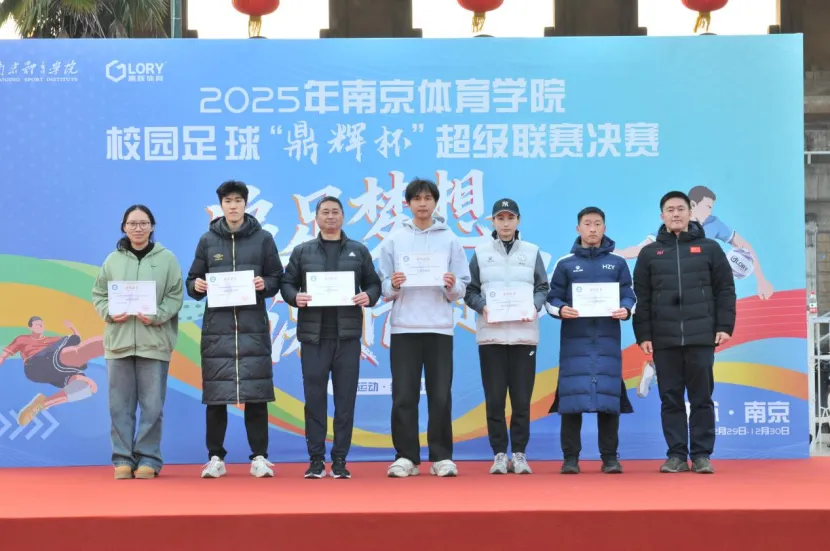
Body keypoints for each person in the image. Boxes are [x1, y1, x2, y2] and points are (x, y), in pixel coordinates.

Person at [633, 191, 736, 475]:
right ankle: (676, 455)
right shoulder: (649, 253)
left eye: (680, 209)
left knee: (702, 398)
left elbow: (725, 290)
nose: (676, 214)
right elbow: (642, 297)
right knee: (671, 398)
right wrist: (643, 334)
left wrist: (724, 326)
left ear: (690, 213)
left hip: (701, 336)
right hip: (664, 338)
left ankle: (701, 455)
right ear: (662, 216)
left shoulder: (710, 249)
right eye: (670, 209)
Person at [186, 180, 284, 479]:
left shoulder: (263, 239)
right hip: (218, 330)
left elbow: (277, 277)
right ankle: (215, 457)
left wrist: (264, 284)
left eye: (238, 200)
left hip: (253, 328)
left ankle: (259, 457)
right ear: (221, 205)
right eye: (228, 201)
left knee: (256, 395)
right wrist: (197, 285)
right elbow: (192, 281)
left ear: (245, 204)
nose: (233, 206)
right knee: (217, 397)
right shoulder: (207, 240)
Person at [280, 196, 381, 479]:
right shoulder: (303, 251)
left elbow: (374, 283)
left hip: (347, 337)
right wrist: (295, 297)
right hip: (314, 338)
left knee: (345, 401)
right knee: (314, 400)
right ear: (317, 218)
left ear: (343, 217)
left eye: (335, 212)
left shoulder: (358, 250)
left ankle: (340, 460)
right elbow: (287, 283)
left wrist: (369, 295)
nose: (330, 217)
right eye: (325, 212)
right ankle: (315, 459)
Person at [379, 178, 471, 478]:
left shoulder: (450, 239)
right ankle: (406, 457)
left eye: (427, 198)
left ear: (435, 202)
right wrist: (393, 285)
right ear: (408, 203)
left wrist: (451, 285)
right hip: (404, 328)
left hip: (439, 328)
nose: (422, 203)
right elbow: (383, 288)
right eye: (417, 198)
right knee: (404, 396)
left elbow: (462, 287)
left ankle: (441, 457)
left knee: (440, 395)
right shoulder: (394, 239)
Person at [91, 205, 184, 480]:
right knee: (119, 405)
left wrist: (157, 315)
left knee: (152, 406)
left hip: (154, 342)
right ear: (124, 227)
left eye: (144, 223)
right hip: (118, 343)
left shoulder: (167, 259)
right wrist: (110, 312)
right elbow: (99, 294)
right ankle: (122, 458)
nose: (138, 228)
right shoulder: (112, 260)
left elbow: (175, 296)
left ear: (152, 226)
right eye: (132, 223)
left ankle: (148, 458)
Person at [546, 207, 636, 475]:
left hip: (607, 343)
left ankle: (609, 458)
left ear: (604, 228)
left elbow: (630, 295)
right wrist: (561, 309)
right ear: (578, 229)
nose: (593, 229)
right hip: (575, 343)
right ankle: (570, 459)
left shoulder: (618, 263)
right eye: (587, 224)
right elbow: (552, 298)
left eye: (597, 224)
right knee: (571, 400)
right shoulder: (565, 263)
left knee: (609, 400)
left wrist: (626, 309)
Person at [463, 198, 549, 475]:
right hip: (492, 337)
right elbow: (470, 291)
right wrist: (483, 307)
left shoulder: (532, 251)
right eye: (500, 218)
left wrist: (533, 306)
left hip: (524, 337)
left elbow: (542, 287)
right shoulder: (480, 253)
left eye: (510, 218)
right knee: (495, 399)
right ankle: (500, 454)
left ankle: (520, 454)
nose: (505, 223)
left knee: (522, 400)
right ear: (493, 222)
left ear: (518, 221)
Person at [1, 318, 102, 427]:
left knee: (89, 386)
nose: (41, 326)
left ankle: (42, 404)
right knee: (76, 353)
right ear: (30, 327)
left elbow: (76, 339)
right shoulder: (23, 339)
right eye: (37, 324)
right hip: (35, 365)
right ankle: (111, 342)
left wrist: (72, 328)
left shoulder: (52, 340)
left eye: (42, 324)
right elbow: (4, 355)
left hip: (53, 371)